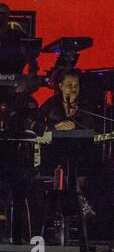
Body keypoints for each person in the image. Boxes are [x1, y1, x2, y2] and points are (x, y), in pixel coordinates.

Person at [32, 68, 96, 219]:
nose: (73, 89)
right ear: (60, 86)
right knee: (63, 168)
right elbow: (36, 126)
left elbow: (93, 128)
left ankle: (80, 202)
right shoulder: (50, 105)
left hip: (80, 155)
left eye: (76, 85)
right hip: (54, 155)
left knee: (83, 162)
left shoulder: (85, 106)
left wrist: (77, 125)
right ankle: (76, 203)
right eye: (69, 85)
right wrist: (54, 127)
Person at [0, 3, 39, 131]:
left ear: (6, 16)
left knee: (28, 108)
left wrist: (26, 84)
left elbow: (34, 65)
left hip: (15, 90)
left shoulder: (20, 38)